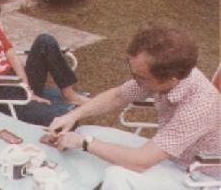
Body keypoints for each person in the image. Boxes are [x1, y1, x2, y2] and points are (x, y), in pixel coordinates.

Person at [49, 25, 221, 190]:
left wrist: (85, 143)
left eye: (141, 77)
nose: (135, 80)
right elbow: (119, 95)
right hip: (170, 155)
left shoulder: (199, 106)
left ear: (171, 79)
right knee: (85, 131)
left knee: (118, 176)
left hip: (197, 175)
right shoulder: (170, 74)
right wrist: (73, 116)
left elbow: (140, 162)